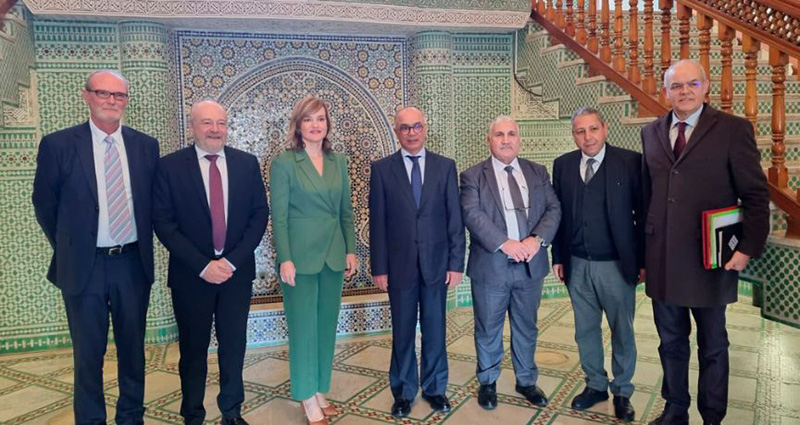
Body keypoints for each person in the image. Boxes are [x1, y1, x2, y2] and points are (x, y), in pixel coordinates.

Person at [641, 59, 770, 425]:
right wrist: (643, 255)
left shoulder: (733, 130)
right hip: (663, 259)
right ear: (666, 92)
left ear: (706, 86)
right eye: (676, 86)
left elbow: (755, 195)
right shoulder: (651, 132)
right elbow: (648, 196)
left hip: (711, 259)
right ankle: (675, 409)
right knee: (670, 341)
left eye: (692, 84)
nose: (684, 91)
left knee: (713, 345)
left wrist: (747, 248)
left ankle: (712, 416)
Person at [32, 69, 159, 425]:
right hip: (83, 267)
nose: (111, 101)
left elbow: (152, 203)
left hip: (132, 263)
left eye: (119, 95)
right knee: (88, 355)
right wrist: (72, 245)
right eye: (103, 93)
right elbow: (44, 204)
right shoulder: (58, 145)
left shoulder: (145, 146)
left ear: (126, 101)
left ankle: (131, 417)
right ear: (87, 95)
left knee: (133, 350)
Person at [153, 100, 269, 425]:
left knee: (233, 347)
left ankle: (231, 412)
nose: (215, 129)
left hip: (236, 275)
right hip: (191, 277)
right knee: (193, 351)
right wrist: (204, 266)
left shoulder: (246, 163)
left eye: (220, 123)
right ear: (192, 126)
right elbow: (164, 223)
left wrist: (231, 261)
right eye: (207, 123)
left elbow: (259, 214)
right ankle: (193, 414)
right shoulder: (169, 167)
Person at [369, 106, 466, 418]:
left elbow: (455, 219)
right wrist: (379, 267)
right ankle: (403, 391)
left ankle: (436, 389)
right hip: (399, 268)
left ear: (425, 128)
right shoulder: (382, 169)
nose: (411, 133)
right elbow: (378, 223)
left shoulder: (445, 167)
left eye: (416, 126)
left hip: (437, 265)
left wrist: (456, 263)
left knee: (436, 330)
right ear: (396, 131)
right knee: (403, 332)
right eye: (405, 128)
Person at [460, 115, 561, 410]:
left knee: (527, 326)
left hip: (530, 264)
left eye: (511, 134)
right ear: (489, 140)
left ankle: (526, 381)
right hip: (491, 267)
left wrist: (535, 240)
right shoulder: (472, 176)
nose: (506, 140)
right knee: (488, 327)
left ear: (519, 139)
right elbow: (472, 214)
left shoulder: (538, 172)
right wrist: (506, 244)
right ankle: (488, 381)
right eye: (499, 135)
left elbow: (554, 208)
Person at [269, 95, 358, 425]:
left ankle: (320, 389)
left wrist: (350, 250)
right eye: (308, 119)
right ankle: (306, 396)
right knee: (303, 329)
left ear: (327, 124)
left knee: (325, 328)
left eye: (320, 118)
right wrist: (285, 258)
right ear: (298, 125)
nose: (315, 125)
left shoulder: (338, 161)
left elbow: (345, 212)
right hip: (300, 260)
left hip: (333, 256)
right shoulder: (284, 162)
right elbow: (278, 217)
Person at [551, 107, 643, 422]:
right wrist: (558, 257)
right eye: (580, 131)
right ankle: (595, 385)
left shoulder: (630, 162)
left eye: (593, 129)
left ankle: (623, 391)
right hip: (577, 264)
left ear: (605, 128)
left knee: (622, 330)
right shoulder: (563, 165)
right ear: (573, 134)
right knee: (585, 330)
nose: (587, 137)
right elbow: (558, 216)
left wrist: (642, 261)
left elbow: (643, 215)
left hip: (616, 265)